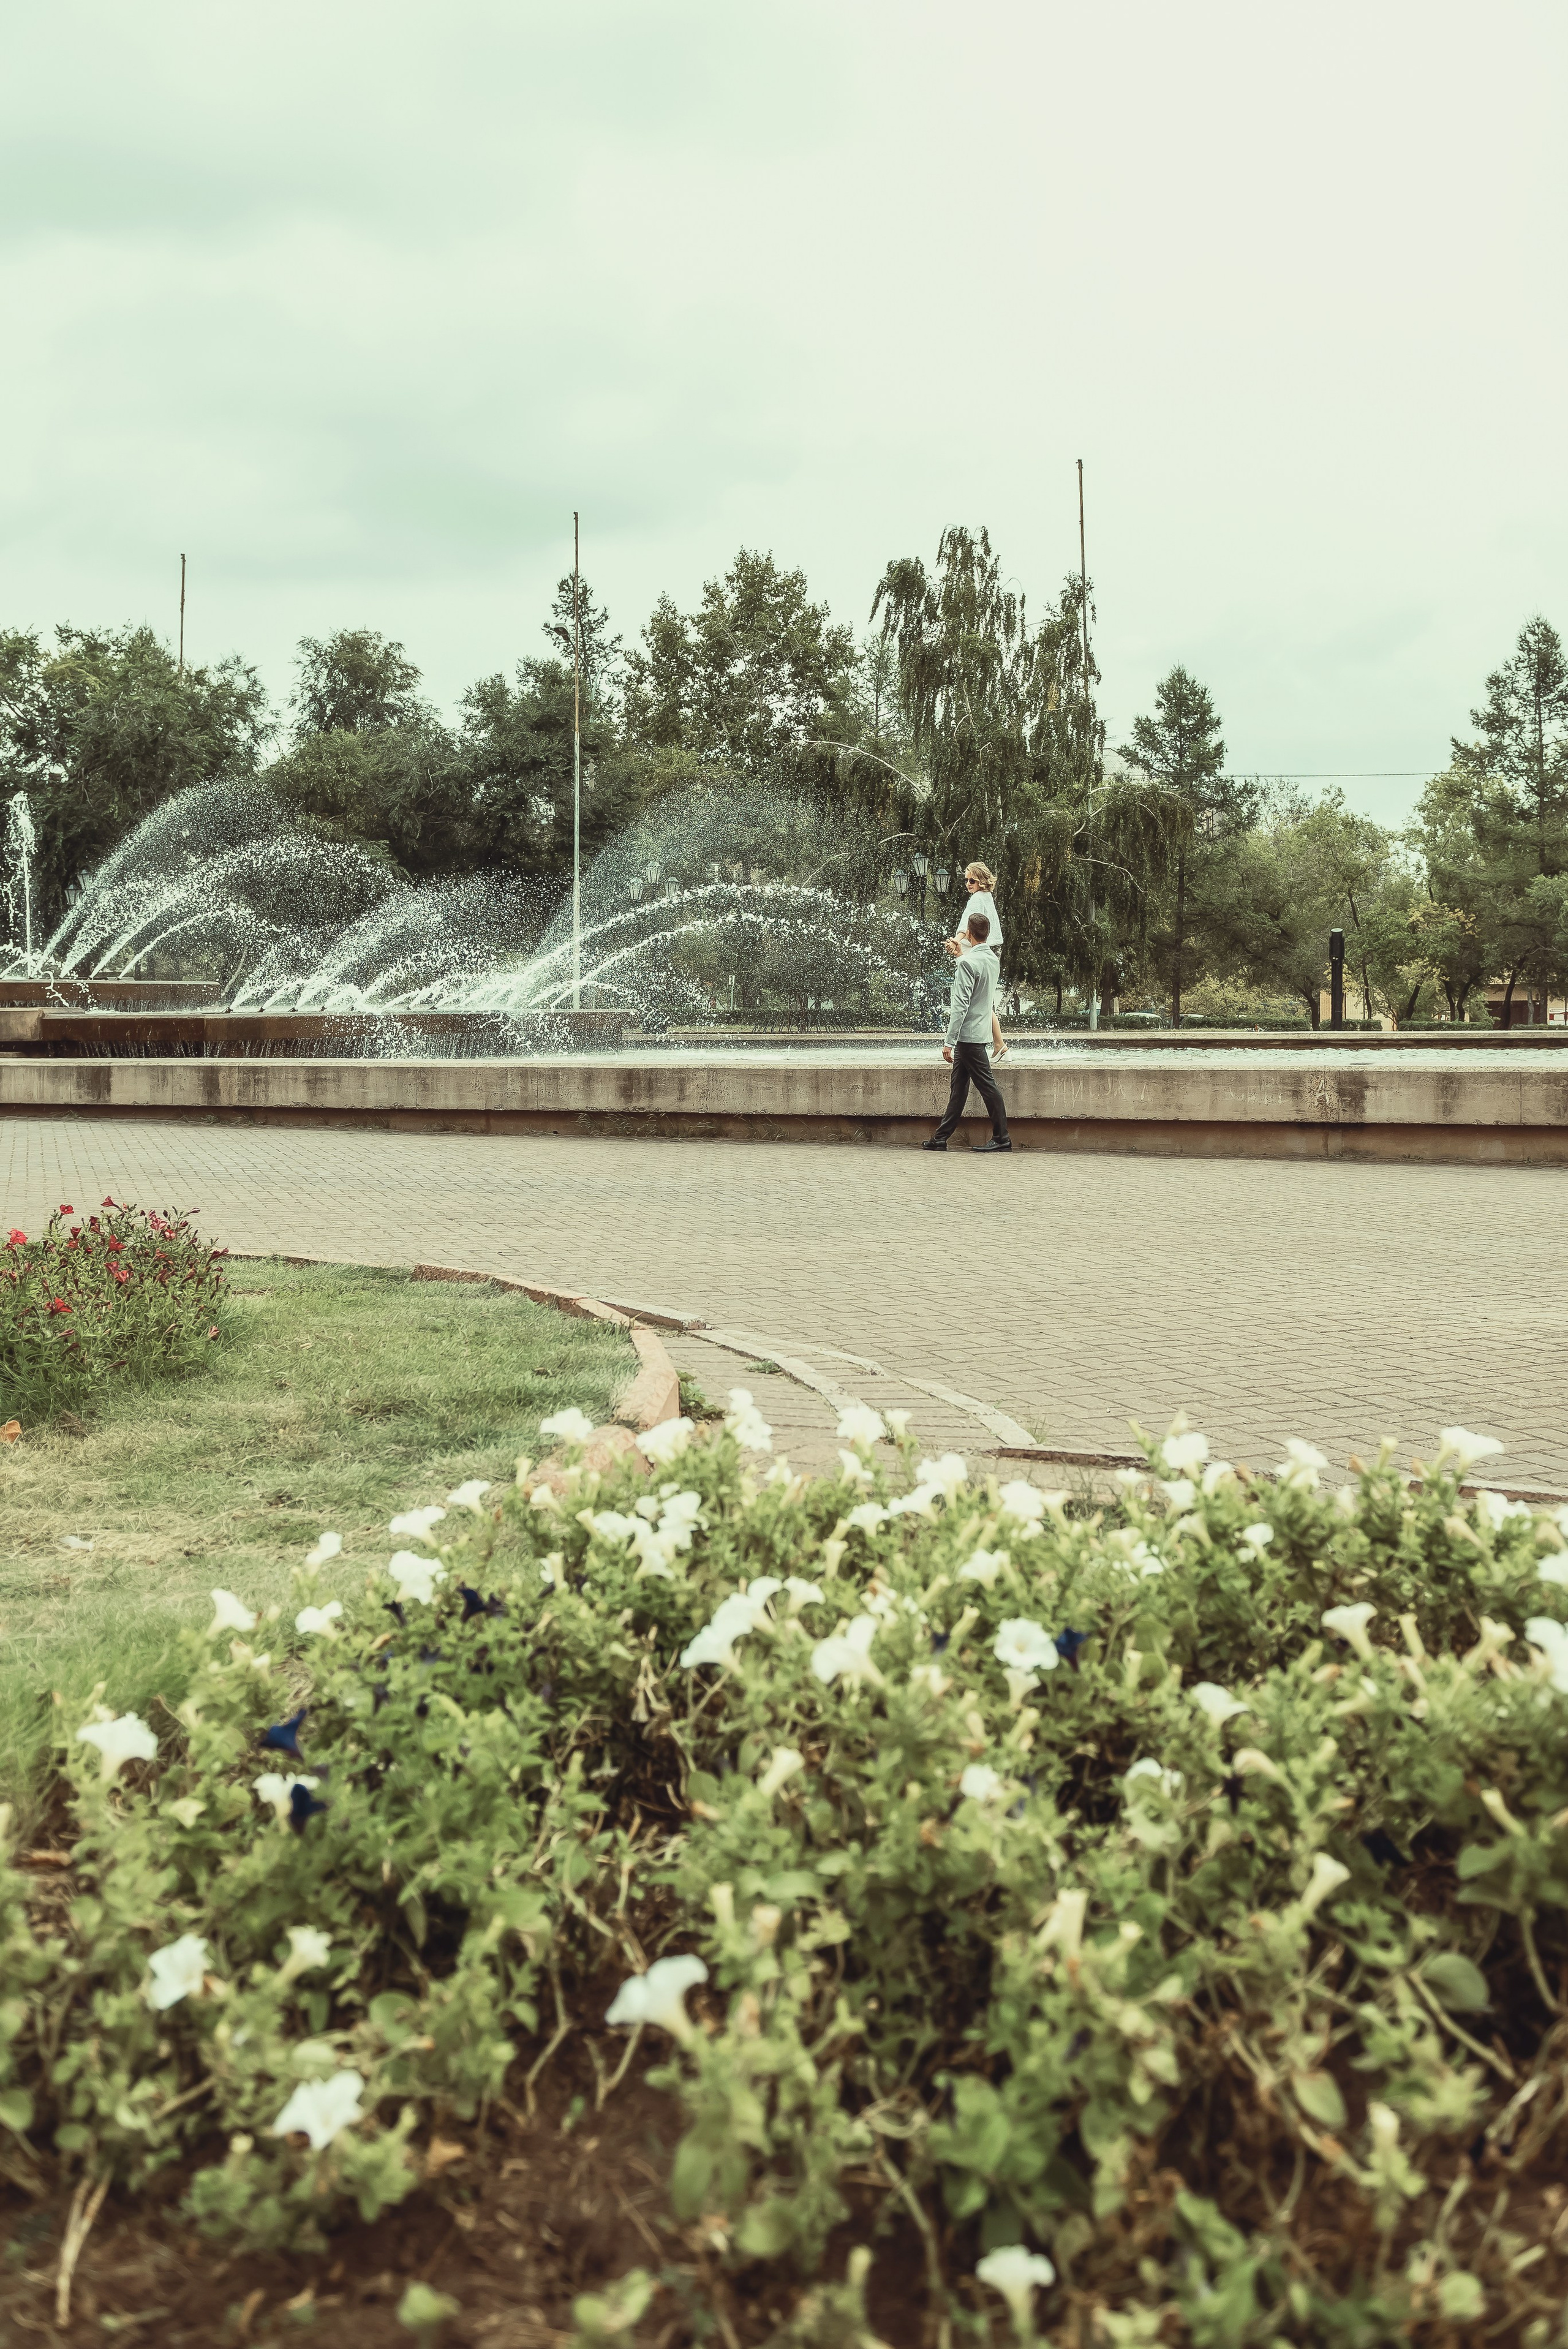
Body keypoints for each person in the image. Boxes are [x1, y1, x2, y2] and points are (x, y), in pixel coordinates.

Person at [923, 910, 1011, 1152]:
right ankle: (940, 1139)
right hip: (978, 1033)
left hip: (967, 1037)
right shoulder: (992, 960)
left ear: (969, 933)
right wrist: (962, 955)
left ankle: (1002, 1139)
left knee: (988, 1086)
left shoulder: (967, 963)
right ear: (987, 934)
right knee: (958, 1089)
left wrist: (948, 1042)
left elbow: (960, 1007)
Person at [944, 861, 1007, 1060]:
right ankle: (999, 1044)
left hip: (979, 949)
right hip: (990, 950)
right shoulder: (987, 896)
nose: (968, 884)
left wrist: (957, 941)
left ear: (981, 881)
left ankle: (998, 1044)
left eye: (972, 880)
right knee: (984, 1001)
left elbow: (967, 925)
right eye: (966, 880)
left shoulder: (977, 899)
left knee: (977, 1001)